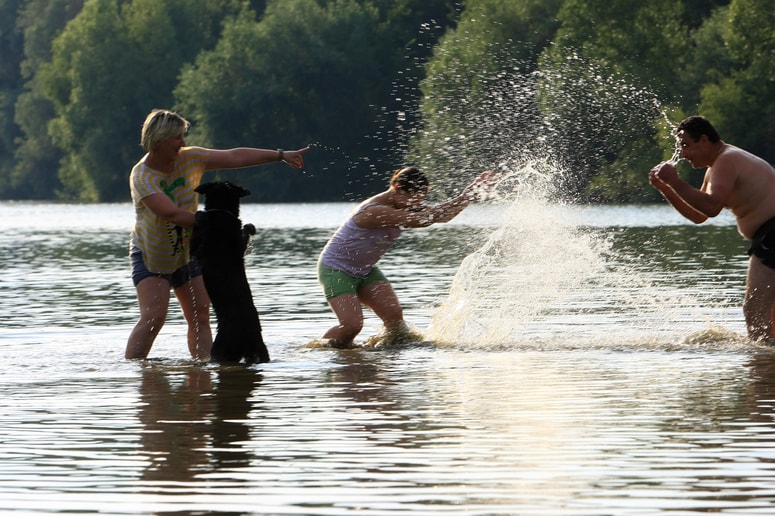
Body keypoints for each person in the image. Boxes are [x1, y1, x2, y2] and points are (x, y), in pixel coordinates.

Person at [126, 109, 310, 360]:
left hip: (190, 252)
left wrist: (280, 155)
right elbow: (171, 214)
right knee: (154, 318)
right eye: (177, 138)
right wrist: (222, 225)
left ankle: (203, 370)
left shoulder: (190, 158)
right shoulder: (142, 175)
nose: (183, 143)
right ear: (158, 141)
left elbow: (235, 156)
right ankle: (135, 371)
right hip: (152, 254)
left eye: (183, 136)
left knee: (200, 314)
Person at [316, 166, 496, 348]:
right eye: (412, 201)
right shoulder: (375, 211)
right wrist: (464, 197)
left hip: (364, 269)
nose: (414, 206)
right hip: (336, 269)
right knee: (352, 326)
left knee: (395, 323)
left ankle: (384, 357)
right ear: (397, 189)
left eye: (419, 201)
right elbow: (423, 219)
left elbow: (442, 217)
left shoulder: (401, 203)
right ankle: (319, 349)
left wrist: (469, 196)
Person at [649, 115, 775, 342]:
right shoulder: (717, 166)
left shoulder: (726, 160)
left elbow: (713, 206)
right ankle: (767, 366)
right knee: (768, 316)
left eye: (686, 145)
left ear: (704, 140)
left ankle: (762, 369)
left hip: (772, 234)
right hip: (770, 234)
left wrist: (676, 181)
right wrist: (668, 189)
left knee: (755, 309)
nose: (683, 154)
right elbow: (699, 215)